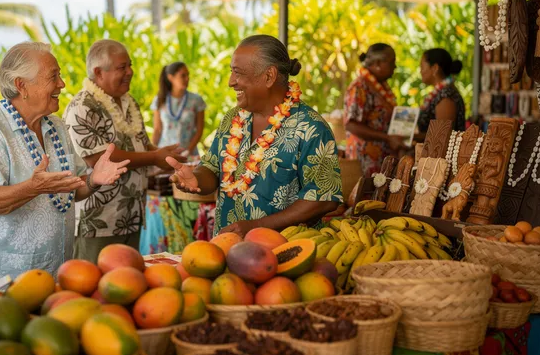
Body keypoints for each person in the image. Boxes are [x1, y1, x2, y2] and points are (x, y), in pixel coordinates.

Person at [0, 42, 128, 287]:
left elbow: (71, 188)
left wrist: (93, 180)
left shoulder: (56, 126)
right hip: (3, 273)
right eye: (54, 76)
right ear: (21, 85)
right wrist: (33, 188)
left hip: (53, 268)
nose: (62, 84)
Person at [165, 35, 343, 237]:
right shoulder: (232, 118)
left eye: (237, 73)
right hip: (228, 250)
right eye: (231, 72)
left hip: (285, 254)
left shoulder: (311, 128)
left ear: (269, 76)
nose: (231, 82)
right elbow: (213, 169)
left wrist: (259, 226)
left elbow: (324, 198)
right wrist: (195, 179)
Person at [64, 39, 185, 260]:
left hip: (131, 214)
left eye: (130, 65)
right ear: (98, 73)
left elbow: (140, 144)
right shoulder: (82, 106)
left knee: (128, 283)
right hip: (99, 219)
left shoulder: (129, 102)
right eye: (122, 67)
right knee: (93, 286)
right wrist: (153, 157)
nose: (130, 72)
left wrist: (164, 156)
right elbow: (100, 159)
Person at [343, 43, 403, 177]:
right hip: (366, 163)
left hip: (381, 160)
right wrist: (387, 138)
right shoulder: (360, 87)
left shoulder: (379, 86)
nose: (395, 66)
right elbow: (351, 124)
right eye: (392, 62)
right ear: (377, 63)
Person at [151, 62, 206, 156]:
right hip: (165, 155)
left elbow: (199, 130)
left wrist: (188, 151)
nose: (187, 78)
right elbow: (157, 129)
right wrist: (153, 153)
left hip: (188, 154)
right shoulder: (160, 99)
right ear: (170, 77)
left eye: (188, 75)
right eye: (183, 75)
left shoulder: (196, 100)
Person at [416, 48, 466, 136]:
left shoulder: (446, 95)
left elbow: (442, 135)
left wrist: (412, 137)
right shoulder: (442, 93)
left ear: (435, 68)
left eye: (422, 67)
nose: (420, 71)